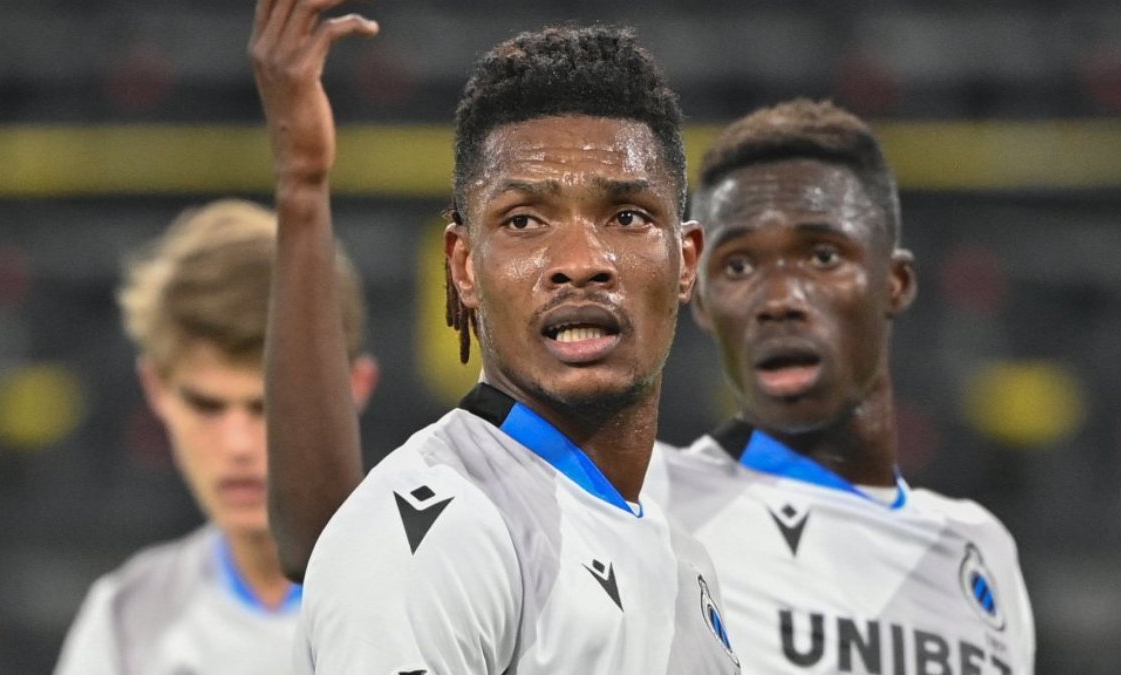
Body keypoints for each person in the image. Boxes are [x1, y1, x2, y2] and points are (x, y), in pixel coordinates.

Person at [249, 0, 740, 672]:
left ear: (685, 262)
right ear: (464, 267)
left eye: (626, 216)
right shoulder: (439, 532)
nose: (581, 260)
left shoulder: (687, 562)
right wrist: (302, 187)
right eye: (524, 221)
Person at [643, 99, 1035, 673]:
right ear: (700, 300)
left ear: (894, 283)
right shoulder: (649, 502)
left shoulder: (981, 547)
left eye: (823, 256)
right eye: (738, 266)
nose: (779, 300)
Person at [54, 199, 378, 674]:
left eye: (271, 408)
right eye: (206, 406)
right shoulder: (125, 622)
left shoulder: (452, 593)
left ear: (355, 390)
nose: (237, 445)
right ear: (156, 390)